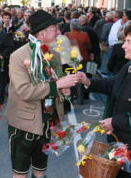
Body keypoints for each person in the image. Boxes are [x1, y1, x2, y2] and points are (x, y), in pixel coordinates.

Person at [6, 10, 79, 178]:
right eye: (55, 29)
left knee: (40, 169)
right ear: (42, 32)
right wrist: (58, 85)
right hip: (24, 125)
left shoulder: (52, 53)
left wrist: (65, 90)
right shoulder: (18, 56)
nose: (59, 32)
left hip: (47, 121)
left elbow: (57, 82)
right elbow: (24, 91)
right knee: (20, 172)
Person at [78, 20, 131, 178]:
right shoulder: (130, 65)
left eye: (128, 41)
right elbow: (113, 84)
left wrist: (115, 121)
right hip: (120, 145)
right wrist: (88, 81)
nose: (123, 45)